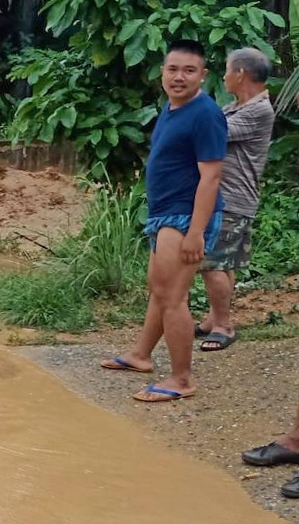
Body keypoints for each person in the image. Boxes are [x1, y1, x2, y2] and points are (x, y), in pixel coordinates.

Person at [101, 39, 226, 403]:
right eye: (173, 69)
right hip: (166, 215)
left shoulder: (205, 113)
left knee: (173, 296)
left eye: (189, 70)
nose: (179, 77)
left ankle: (181, 379)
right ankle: (141, 355)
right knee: (160, 290)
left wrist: (196, 232)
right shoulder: (173, 108)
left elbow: (212, 177)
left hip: (185, 217)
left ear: (203, 75)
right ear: (162, 72)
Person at [194, 48, 275, 352]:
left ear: (240, 74)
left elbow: (214, 132)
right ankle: (213, 318)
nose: (224, 76)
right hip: (227, 198)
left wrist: (190, 98)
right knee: (223, 263)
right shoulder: (236, 106)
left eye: (227, 70)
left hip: (232, 198)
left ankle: (223, 325)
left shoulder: (258, 110)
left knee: (211, 263)